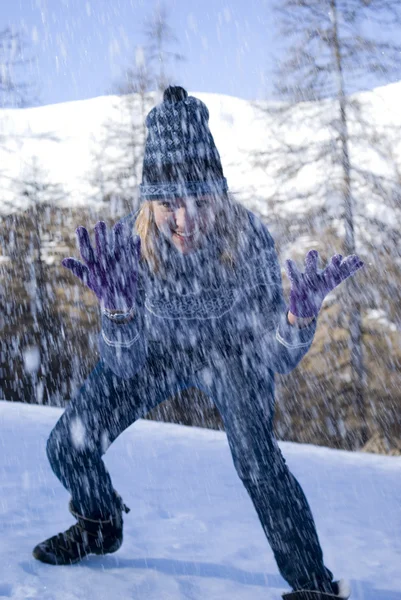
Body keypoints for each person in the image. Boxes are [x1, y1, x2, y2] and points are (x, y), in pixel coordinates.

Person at [33, 86, 363, 599]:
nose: (185, 220)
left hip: (233, 354)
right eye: (168, 204)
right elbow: (123, 368)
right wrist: (119, 315)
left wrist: (296, 320)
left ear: (220, 196)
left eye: (199, 201)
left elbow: (272, 357)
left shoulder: (248, 237)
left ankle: (313, 586)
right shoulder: (129, 245)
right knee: (65, 446)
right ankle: (99, 522)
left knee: (257, 460)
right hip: (158, 353)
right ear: (150, 204)